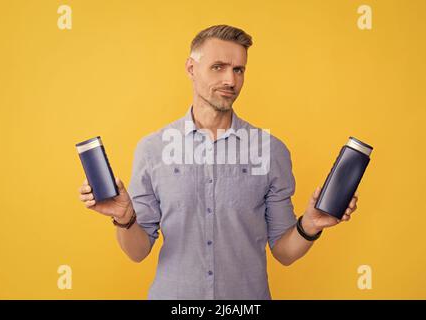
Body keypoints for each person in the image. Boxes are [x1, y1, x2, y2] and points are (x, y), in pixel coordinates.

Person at [78, 25, 358, 299]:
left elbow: (284, 253)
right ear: (191, 68)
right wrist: (124, 219)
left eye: (238, 70)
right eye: (218, 67)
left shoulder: (271, 151)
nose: (231, 80)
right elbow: (138, 252)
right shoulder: (152, 149)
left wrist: (310, 225)